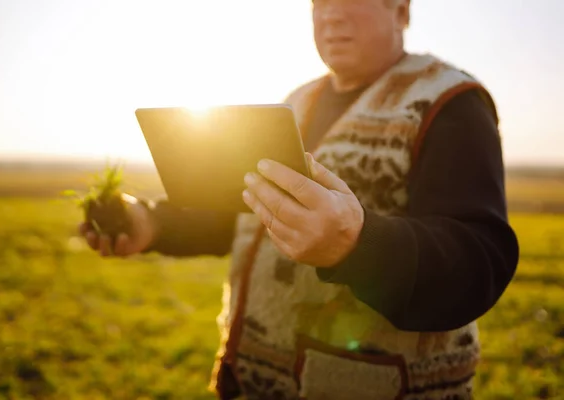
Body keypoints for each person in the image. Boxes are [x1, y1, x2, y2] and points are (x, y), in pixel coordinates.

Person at [79, 0, 519, 398]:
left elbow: (478, 258)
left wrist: (356, 246)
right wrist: (152, 223)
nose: (332, 14)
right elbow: (247, 209)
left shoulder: (449, 102)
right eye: (319, 2)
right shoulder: (297, 101)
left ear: (401, 10)